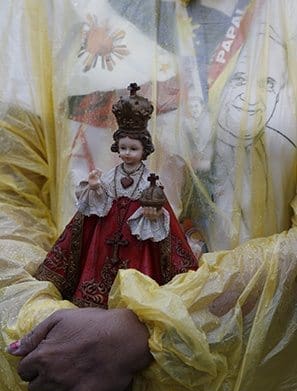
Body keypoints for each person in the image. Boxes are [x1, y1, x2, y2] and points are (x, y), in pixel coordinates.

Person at [1, 0, 297, 391]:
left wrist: (148, 330)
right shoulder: (39, 10)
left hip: (250, 377)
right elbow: (10, 193)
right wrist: (43, 321)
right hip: (68, 371)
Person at [35, 83, 197, 308]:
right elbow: (98, 201)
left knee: (138, 266)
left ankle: (136, 296)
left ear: (144, 150)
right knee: (97, 256)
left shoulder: (148, 179)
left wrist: (154, 208)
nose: (127, 154)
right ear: (117, 148)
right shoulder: (112, 175)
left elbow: (158, 204)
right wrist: (94, 187)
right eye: (123, 148)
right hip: (107, 233)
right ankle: (92, 295)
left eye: (133, 149)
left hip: (135, 237)